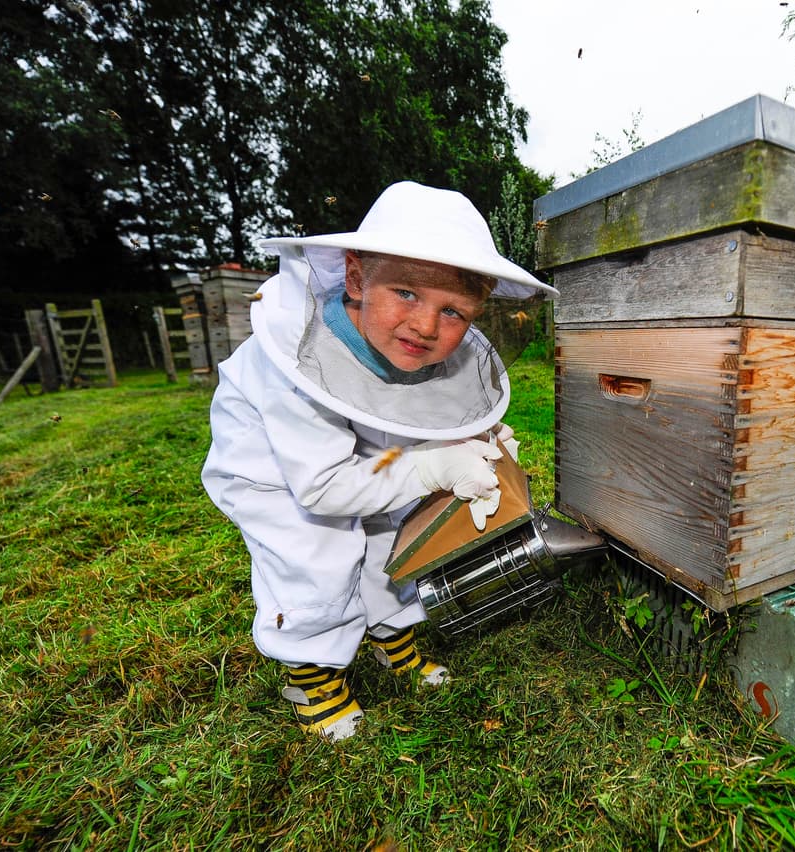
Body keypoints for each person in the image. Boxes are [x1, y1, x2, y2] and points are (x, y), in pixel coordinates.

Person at [201, 181, 558, 741]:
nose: (426, 326)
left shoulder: (414, 344)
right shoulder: (295, 366)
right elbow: (321, 488)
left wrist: (482, 440)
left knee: (391, 533)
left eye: (455, 313)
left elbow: (422, 411)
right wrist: (432, 468)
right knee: (317, 553)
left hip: (367, 454)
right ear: (355, 278)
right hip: (278, 473)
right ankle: (311, 672)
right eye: (407, 294)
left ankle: (391, 633)